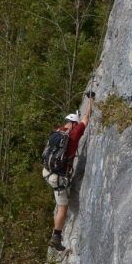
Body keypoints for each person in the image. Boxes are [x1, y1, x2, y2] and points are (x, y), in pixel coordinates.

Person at [43, 91, 95, 251]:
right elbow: (86, 118)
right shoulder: (73, 135)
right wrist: (91, 100)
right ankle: (56, 236)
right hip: (57, 177)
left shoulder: (57, 132)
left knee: (59, 198)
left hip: (47, 171)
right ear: (74, 123)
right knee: (63, 207)